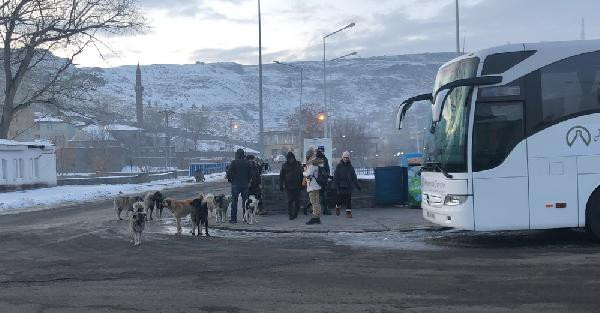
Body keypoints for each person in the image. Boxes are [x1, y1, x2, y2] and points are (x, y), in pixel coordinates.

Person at [226, 148, 252, 223]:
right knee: (246, 202)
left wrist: (231, 180)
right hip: (245, 184)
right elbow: (251, 174)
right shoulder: (247, 163)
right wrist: (248, 181)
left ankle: (234, 219)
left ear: (237, 154)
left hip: (235, 184)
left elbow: (229, 173)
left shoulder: (234, 162)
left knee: (234, 202)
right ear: (243, 154)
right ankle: (246, 218)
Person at [333, 151, 361, 218]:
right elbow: (336, 176)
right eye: (344, 157)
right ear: (342, 158)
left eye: (347, 158)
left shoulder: (350, 167)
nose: (346, 159)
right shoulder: (339, 166)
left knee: (348, 199)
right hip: (341, 185)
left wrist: (358, 186)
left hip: (349, 185)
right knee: (340, 199)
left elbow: (354, 177)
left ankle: (348, 213)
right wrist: (335, 185)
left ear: (349, 158)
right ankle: (337, 207)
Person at [279, 151, 303, 220]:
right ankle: (290, 214)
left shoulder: (298, 164)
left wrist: (303, 184)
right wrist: (281, 184)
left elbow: (302, 174)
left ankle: (296, 212)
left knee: (297, 200)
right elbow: (282, 176)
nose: (290, 160)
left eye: (291, 158)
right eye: (289, 158)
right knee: (290, 200)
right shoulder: (284, 165)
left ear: (293, 158)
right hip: (289, 185)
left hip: (298, 185)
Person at [304, 147, 324, 225]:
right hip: (315, 186)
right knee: (316, 202)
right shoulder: (316, 163)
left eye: (307, 156)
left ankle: (315, 217)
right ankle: (317, 217)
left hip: (312, 186)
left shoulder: (312, 164)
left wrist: (303, 173)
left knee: (314, 202)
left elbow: (308, 174)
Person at [316, 147, 332, 215]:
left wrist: (327, 174)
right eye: (320, 151)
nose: (321, 152)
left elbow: (327, 168)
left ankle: (325, 209)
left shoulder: (325, 159)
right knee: (316, 196)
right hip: (317, 181)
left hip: (323, 180)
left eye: (322, 151)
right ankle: (314, 210)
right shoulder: (316, 159)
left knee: (324, 196)